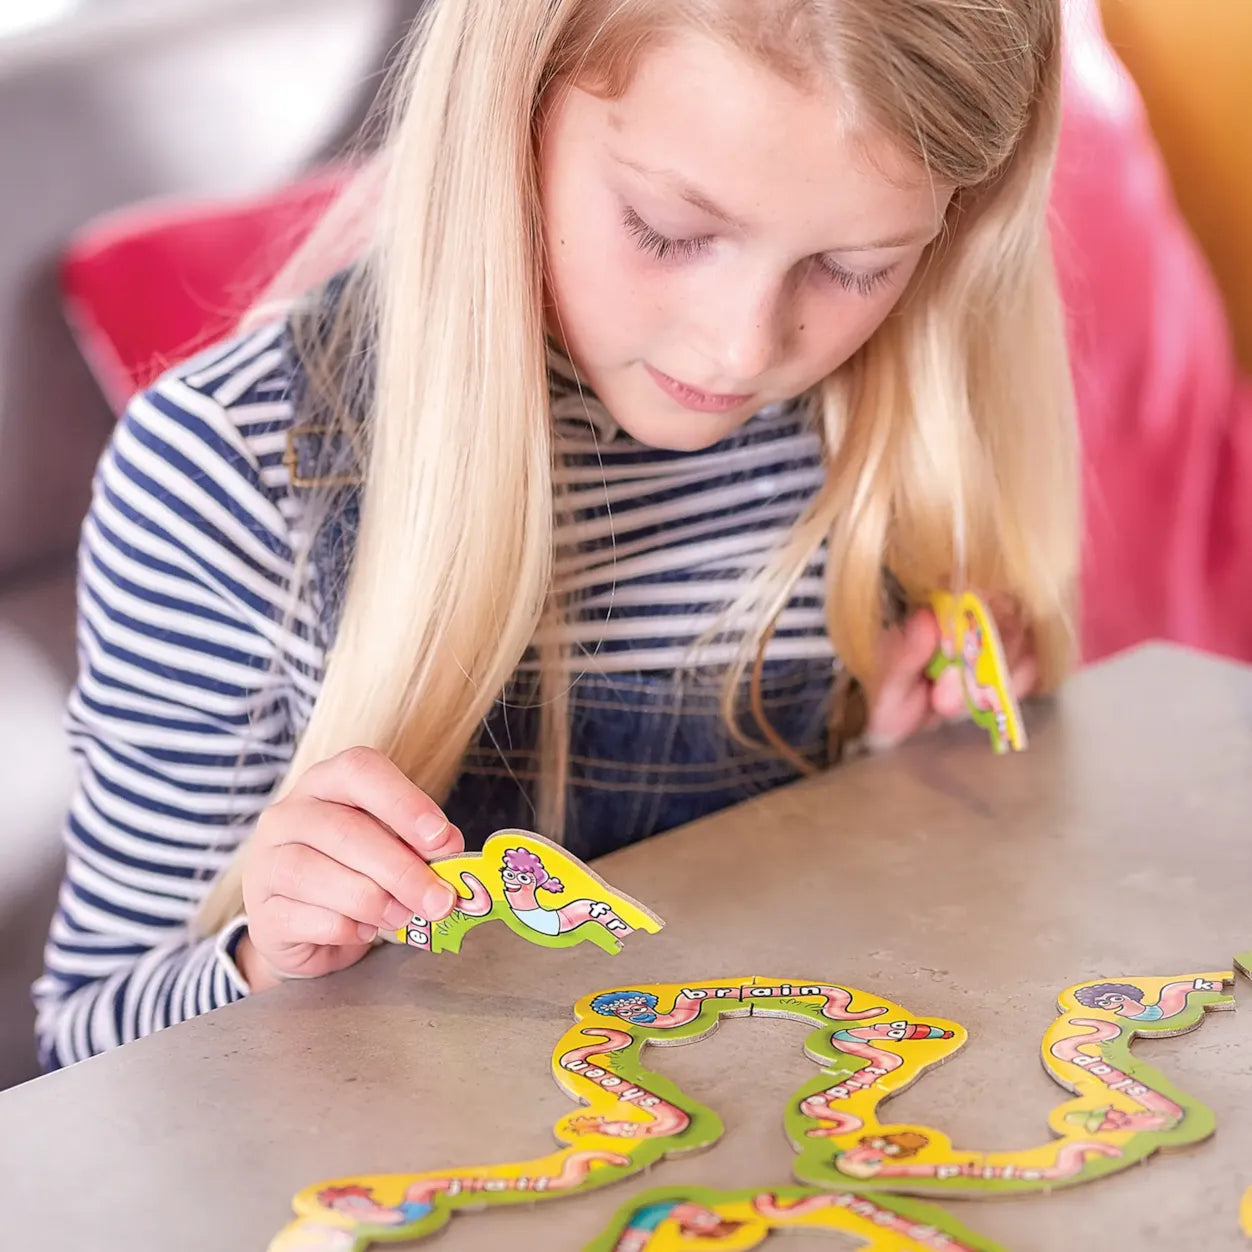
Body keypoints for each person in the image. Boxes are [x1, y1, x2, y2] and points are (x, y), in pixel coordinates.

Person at [35, 0, 1077, 1069]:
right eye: (668, 230)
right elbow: (87, 1045)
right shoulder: (231, 471)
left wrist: (907, 773)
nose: (740, 347)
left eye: (853, 267)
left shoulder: (886, 416)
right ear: (514, 108)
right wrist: (267, 960)